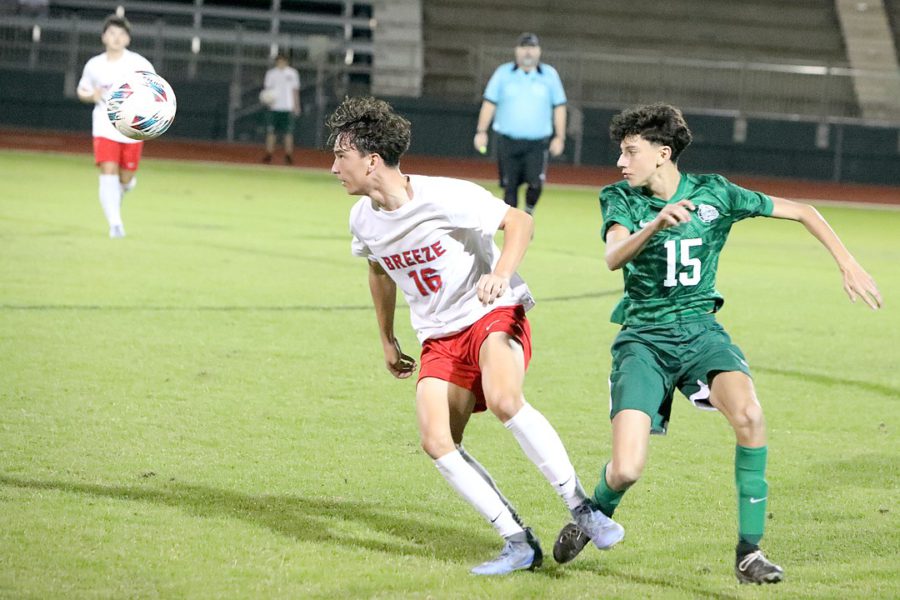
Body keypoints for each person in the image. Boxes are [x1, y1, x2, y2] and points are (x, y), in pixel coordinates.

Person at [552, 103, 883, 584]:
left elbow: (803, 211)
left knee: (750, 416)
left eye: (630, 151)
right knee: (626, 470)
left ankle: (749, 553)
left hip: (701, 332)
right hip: (643, 341)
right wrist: (656, 223)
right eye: (621, 152)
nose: (621, 162)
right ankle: (592, 515)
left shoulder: (715, 193)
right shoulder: (620, 198)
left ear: (663, 153)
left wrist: (846, 262)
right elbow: (613, 255)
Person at [328, 96, 623, 576]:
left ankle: (582, 508)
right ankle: (518, 542)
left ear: (372, 160)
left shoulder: (444, 195)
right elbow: (378, 270)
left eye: (341, 156)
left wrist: (501, 274)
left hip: (490, 314)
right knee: (437, 440)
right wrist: (386, 336)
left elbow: (520, 221)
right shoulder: (362, 218)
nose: (333, 168)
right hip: (439, 337)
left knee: (505, 399)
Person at [76, 14, 154, 239]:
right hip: (104, 126)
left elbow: (155, 90)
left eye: (121, 34)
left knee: (125, 179)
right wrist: (91, 95)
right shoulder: (94, 65)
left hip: (131, 128)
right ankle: (115, 224)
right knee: (108, 170)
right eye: (112, 33)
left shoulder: (139, 63)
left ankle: (123, 190)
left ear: (128, 39)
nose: (116, 38)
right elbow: (82, 90)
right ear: (104, 37)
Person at [473, 32, 567, 215]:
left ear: (539, 51)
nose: (528, 52)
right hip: (508, 142)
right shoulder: (503, 73)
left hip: (537, 144)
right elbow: (489, 103)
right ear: (517, 51)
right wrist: (481, 131)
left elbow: (559, 107)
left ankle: (528, 212)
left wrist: (560, 137)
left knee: (536, 184)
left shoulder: (549, 75)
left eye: (532, 47)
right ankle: (515, 224)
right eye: (524, 47)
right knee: (510, 189)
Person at [261, 52, 301, 165]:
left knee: (288, 133)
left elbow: (295, 90)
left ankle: (288, 155)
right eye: (279, 61)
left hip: (287, 108)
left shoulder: (292, 73)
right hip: (274, 108)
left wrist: (296, 106)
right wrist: (268, 101)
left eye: (283, 61)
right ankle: (269, 154)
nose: (281, 63)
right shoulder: (271, 74)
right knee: (271, 132)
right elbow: (267, 91)